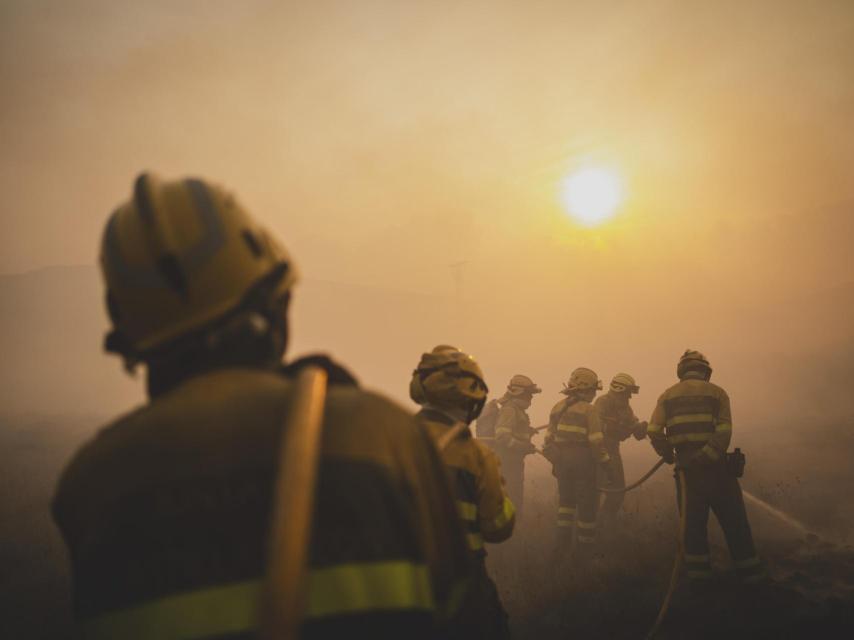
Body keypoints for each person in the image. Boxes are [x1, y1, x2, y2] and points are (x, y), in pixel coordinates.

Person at [52, 173, 471, 639]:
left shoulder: (89, 483)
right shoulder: (382, 433)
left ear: (130, 338)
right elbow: (459, 608)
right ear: (275, 301)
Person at [410, 345, 515, 639]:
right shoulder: (476, 457)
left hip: (402, 582)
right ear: (472, 397)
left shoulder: (393, 441)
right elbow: (498, 528)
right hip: (464, 581)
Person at [648, 350, 764, 583]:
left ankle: (700, 580)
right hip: (718, 469)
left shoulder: (667, 396)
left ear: (681, 371)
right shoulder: (718, 393)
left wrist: (668, 454)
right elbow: (724, 431)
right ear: (705, 371)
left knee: (692, 528)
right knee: (735, 523)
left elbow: (653, 430)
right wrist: (707, 456)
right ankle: (751, 577)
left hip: (687, 474)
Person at [543, 367, 611, 557]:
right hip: (583, 461)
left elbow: (548, 439)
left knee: (566, 504)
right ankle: (585, 551)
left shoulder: (557, 407)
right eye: (592, 390)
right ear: (584, 389)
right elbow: (596, 441)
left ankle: (562, 547)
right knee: (587, 505)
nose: (593, 394)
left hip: (561, 461)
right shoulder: (589, 410)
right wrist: (606, 462)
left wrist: (556, 461)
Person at [594, 373, 647, 524]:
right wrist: (615, 429)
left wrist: (640, 428)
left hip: (613, 452)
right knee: (595, 491)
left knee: (618, 491)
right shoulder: (602, 402)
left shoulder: (625, 407)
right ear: (619, 390)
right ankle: (589, 523)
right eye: (628, 393)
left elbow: (632, 423)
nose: (630, 397)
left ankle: (605, 523)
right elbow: (595, 426)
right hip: (598, 451)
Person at [493, 374, 541, 515]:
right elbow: (502, 436)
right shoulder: (509, 410)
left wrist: (528, 432)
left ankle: (513, 527)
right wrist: (522, 446)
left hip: (513, 460)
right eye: (528, 395)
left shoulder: (517, 410)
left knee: (514, 493)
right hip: (507, 460)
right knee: (511, 494)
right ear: (519, 394)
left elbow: (515, 432)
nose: (531, 398)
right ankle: (510, 529)